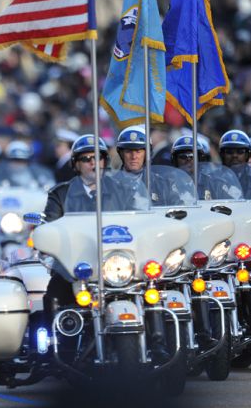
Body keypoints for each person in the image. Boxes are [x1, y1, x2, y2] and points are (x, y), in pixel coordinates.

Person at [41, 134, 173, 361]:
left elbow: (143, 220)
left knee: (153, 288)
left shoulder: (124, 189)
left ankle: (160, 342)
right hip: (80, 266)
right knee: (54, 292)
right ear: (76, 164)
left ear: (105, 161)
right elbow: (50, 228)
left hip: (119, 263)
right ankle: (59, 348)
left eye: (98, 158)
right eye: (86, 159)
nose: (93, 163)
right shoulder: (60, 194)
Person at [218, 129, 251, 200]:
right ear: (222, 155)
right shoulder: (212, 179)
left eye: (240, 152)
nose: (235, 156)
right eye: (229, 152)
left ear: (247, 155)